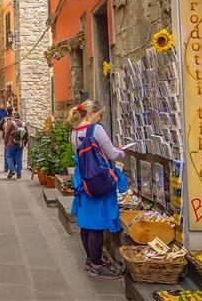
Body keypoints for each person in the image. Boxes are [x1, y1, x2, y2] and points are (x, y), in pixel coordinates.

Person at [70, 100, 127, 280]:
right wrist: (121, 152)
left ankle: (90, 259)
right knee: (96, 224)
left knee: (86, 222)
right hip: (99, 180)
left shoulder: (74, 132)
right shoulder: (96, 129)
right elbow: (111, 154)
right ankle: (96, 264)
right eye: (100, 114)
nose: (101, 118)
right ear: (92, 113)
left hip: (84, 180)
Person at [4, 112, 28, 179]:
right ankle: (19, 174)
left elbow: (7, 134)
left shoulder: (11, 123)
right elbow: (26, 135)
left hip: (11, 143)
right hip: (20, 144)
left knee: (9, 157)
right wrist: (25, 143)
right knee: (19, 158)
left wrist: (5, 142)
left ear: (14, 117)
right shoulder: (23, 124)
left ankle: (12, 169)